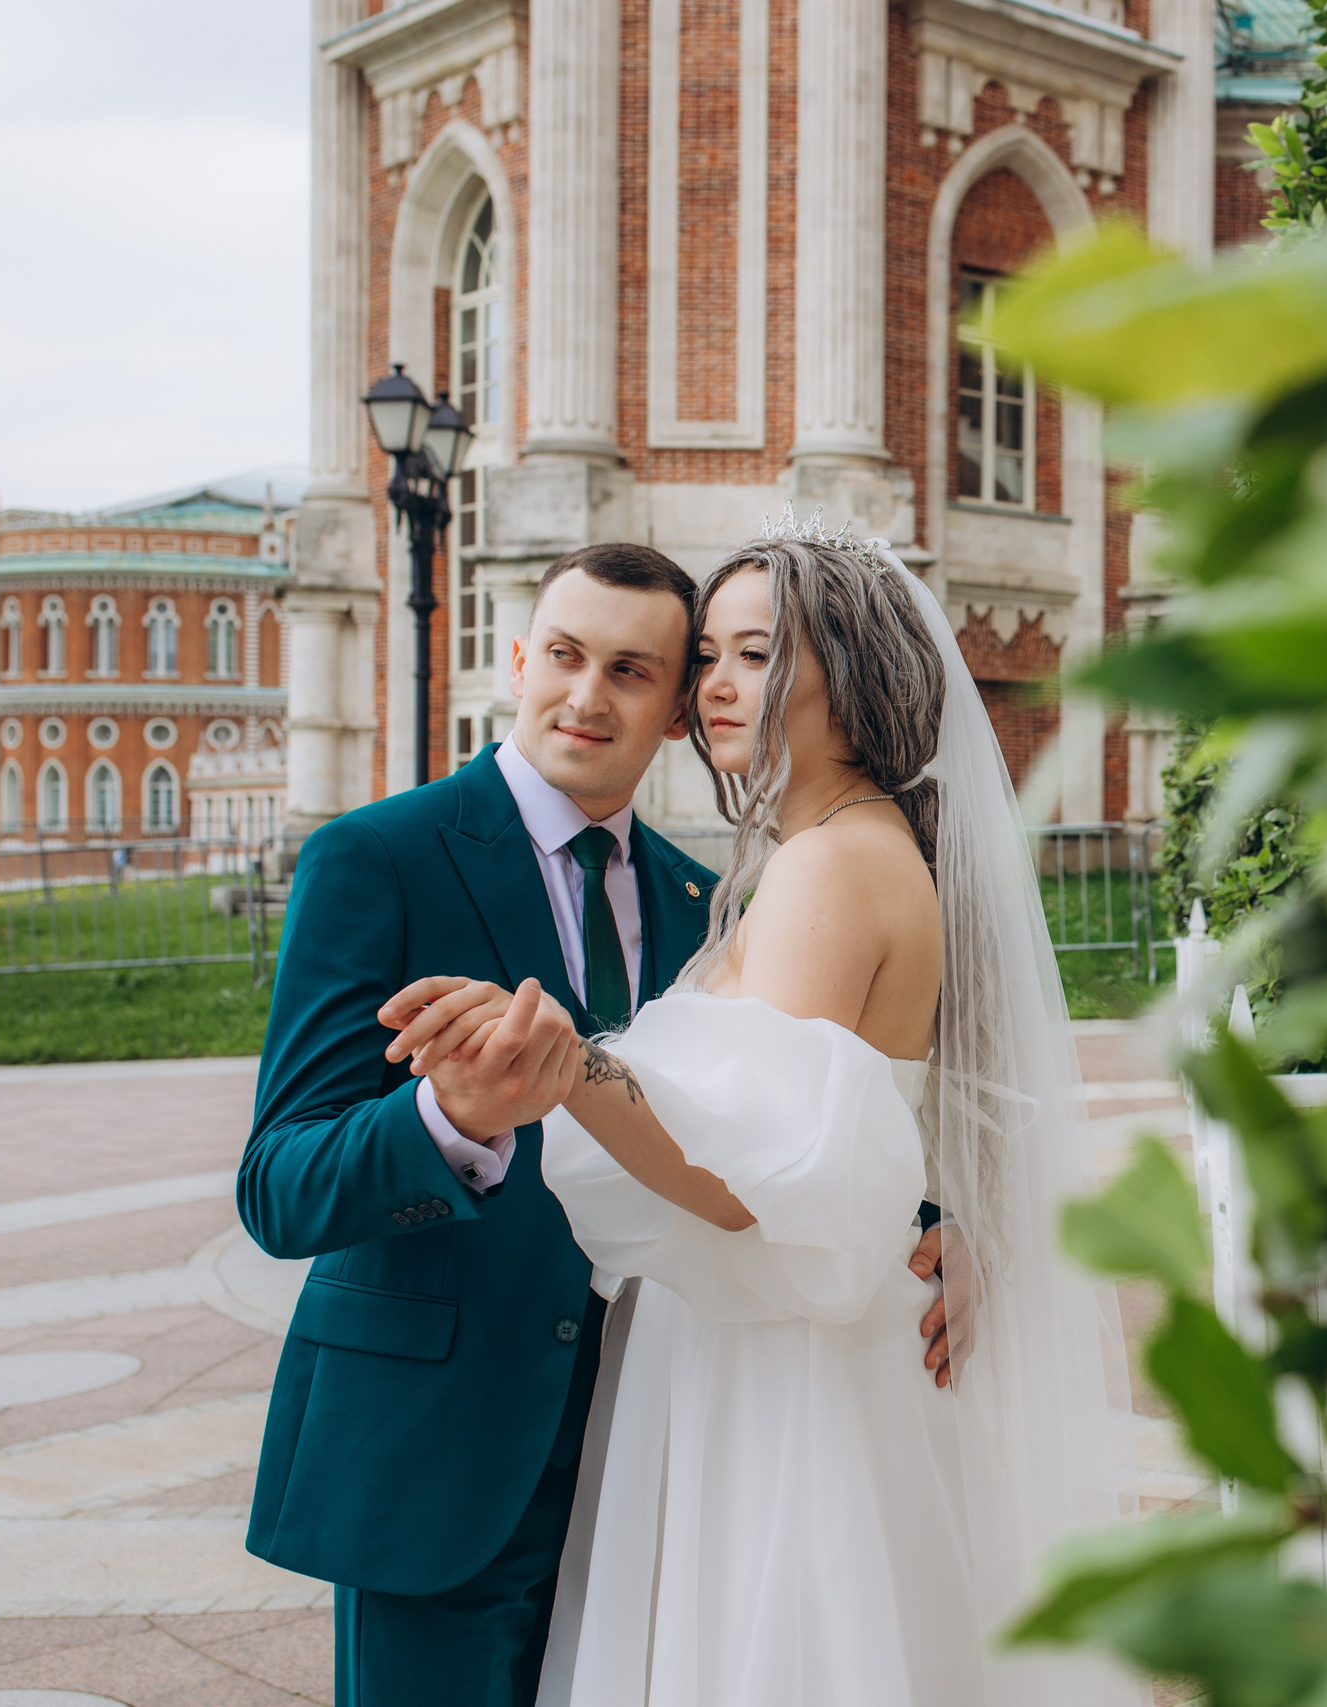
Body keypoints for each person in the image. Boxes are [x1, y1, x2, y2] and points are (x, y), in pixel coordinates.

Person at [379, 519, 1140, 1707]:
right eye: (711, 661)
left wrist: (570, 1065)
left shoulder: (831, 864)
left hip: (780, 1365)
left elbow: (754, 1183)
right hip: (779, 1337)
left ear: (857, 671)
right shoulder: (817, 847)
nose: (715, 689)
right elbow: (860, 1119)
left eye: (757, 655)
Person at [236, 542, 946, 1706]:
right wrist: (445, 1121)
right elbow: (278, 1184)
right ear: (519, 660)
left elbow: (776, 1116)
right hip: (444, 1458)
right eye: (564, 656)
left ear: (675, 713)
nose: (585, 695)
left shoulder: (699, 894)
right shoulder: (377, 858)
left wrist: (923, 1220)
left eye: (633, 670)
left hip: (652, 1457)